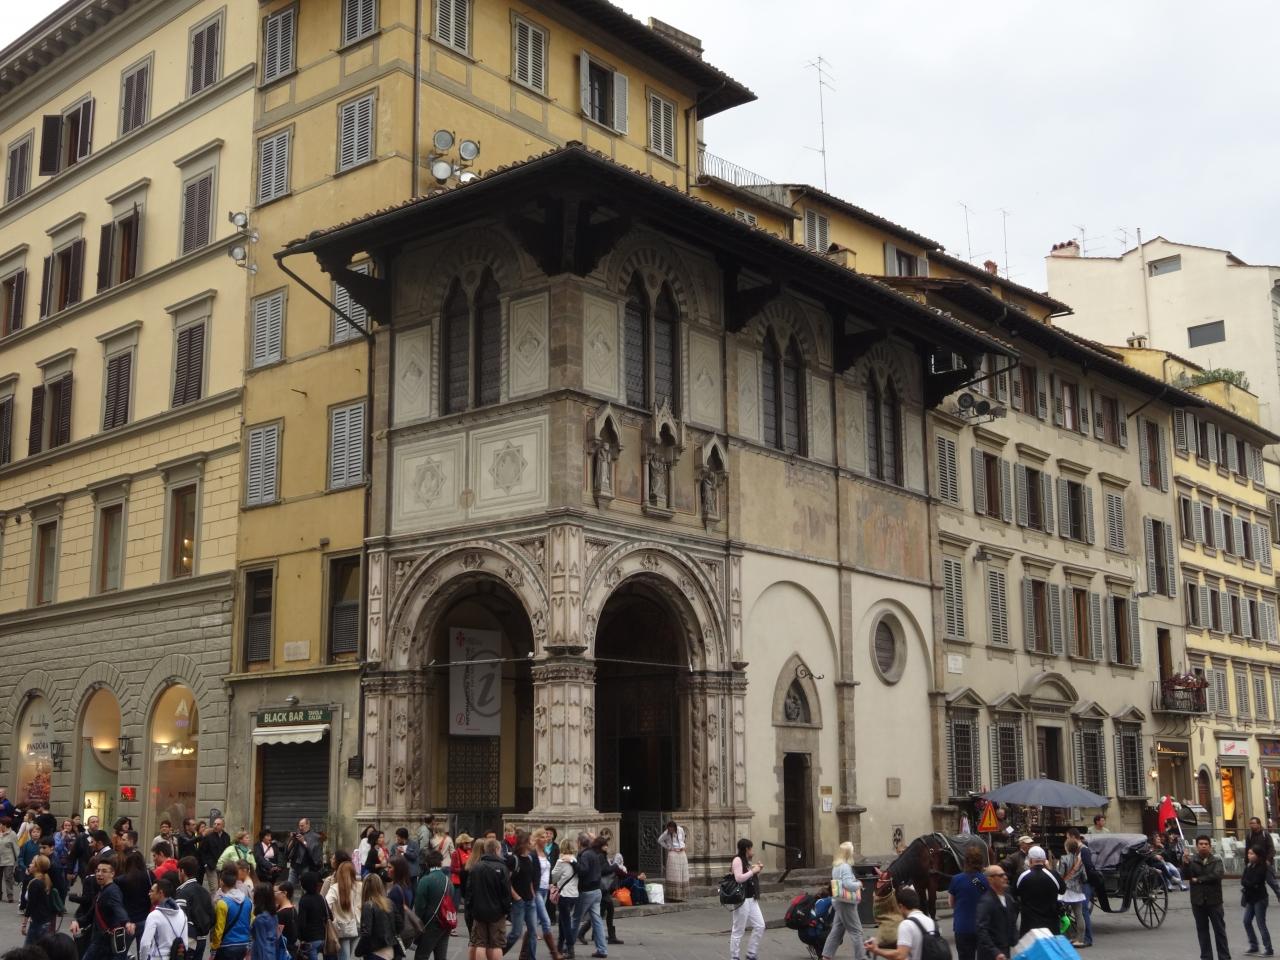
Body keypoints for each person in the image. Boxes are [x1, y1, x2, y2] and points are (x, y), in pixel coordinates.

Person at [1186, 833, 1230, 960]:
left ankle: (1224, 957)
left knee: (1220, 931)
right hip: (1198, 901)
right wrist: (1185, 863)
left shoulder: (1216, 861)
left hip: (1214, 901)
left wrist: (1199, 879)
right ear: (1197, 846)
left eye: (1206, 844)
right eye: (1201, 844)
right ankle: (1206, 957)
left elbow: (1216, 875)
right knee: (1202, 932)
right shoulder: (1192, 861)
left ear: (1210, 847)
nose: (1203, 846)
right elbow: (1187, 876)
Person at [466, 837, 511, 960]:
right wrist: (507, 910)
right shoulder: (502, 867)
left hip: (479, 911)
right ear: (497, 849)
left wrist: (470, 908)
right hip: (497, 912)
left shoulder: (476, 867)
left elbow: (469, 891)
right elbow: (506, 892)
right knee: (496, 944)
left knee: (480, 943)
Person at [865, 886, 938, 960]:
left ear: (900, 906)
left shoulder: (906, 924)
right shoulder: (931, 922)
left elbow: (900, 956)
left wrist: (876, 950)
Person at [820, 841, 866, 960]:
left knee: (837, 930)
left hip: (838, 901)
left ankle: (826, 956)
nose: (853, 853)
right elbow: (847, 885)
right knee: (857, 931)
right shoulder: (845, 866)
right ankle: (861, 957)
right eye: (852, 851)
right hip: (847, 903)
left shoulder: (836, 866)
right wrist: (859, 884)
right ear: (848, 853)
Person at [83, 856, 132, 960]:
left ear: (112, 874)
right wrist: (78, 922)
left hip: (103, 941)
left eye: (104, 871)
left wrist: (126, 922)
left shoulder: (112, 891)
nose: (99, 874)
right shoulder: (103, 890)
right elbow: (92, 913)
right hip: (101, 940)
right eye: (98, 871)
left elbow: (118, 907)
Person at [504, 830, 542, 959]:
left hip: (530, 900)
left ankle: (531, 958)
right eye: (531, 841)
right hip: (518, 902)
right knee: (516, 933)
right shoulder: (513, 859)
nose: (533, 843)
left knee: (533, 932)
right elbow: (506, 880)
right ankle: (498, 954)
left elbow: (529, 879)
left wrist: (532, 894)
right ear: (524, 843)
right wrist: (516, 897)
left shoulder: (530, 858)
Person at [573, 833, 611, 958]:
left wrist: (573, 863)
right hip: (596, 890)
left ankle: (568, 946)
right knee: (597, 920)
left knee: (576, 918)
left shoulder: (585, 854)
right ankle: (602, 949)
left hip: (587, 891)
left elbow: (583, 870)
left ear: (579, 843)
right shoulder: (594, 854)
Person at [946, 844, 987, 960]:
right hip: (982, 927)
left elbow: (951, 903)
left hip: (962, 927)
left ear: (966, 861)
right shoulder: (986, 880)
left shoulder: (956, 879)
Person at [728, 838, 765, 960]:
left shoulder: (746, 861)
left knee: (760, 925)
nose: (752, 851)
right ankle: (735, 956)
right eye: (751, 848)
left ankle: (751, 953)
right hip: (741, 899)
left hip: (751, 898)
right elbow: (738, 878)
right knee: (738, 930)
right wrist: (753, 871)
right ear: (746, 849)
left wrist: (757, 870)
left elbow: (748, 878)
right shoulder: (737, 860)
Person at [1014, 846, 1064, 936]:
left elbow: (1014, 893)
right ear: (1045, 860)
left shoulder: (1021, 875)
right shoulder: (1053, 875)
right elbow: (1062, 890)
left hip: (1029, 926)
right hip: (1051, 925)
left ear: (1030, 860)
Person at [414, 848, 452, 960]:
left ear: (426, 864)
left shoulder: (425, 880)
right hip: (446, 922)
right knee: (441, 956)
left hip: (430, 923)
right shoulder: (448, 880)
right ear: (441, 863)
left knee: (421, 955)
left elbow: (419, 906)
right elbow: (453, 902)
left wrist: (418, 923)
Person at [139, 877, 189, 960]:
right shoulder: (182, 914)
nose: (149, 894)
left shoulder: (154, 916)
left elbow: (145, 944)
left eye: (152, 891)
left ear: (160, 893)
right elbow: (185, 944)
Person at [175, 856, 215, 960]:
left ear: (182, 871)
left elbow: (179, 919)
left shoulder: (182, 892)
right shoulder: (205, 892)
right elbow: (212, 916)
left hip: (187, 940)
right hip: (202, 939)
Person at [209, 865, 253, 960]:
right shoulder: (248, 901)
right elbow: (251, 923)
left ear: (221, 882)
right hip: (243, 945)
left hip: (226, 946)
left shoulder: (222, 903)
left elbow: (219, 930)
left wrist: (213, 949)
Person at [975, 865, 1018, 960]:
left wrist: (1017, 942)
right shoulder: (986, 901)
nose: (1005, 877)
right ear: (990, 879)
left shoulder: (1008, 898)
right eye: (1000, 875)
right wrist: (995, 952)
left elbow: (1012, 922)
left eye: (1005, 875)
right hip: (990, 954)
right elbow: (981, 929)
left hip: (1004, 950)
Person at [324, 860, 362, 960]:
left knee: (344, 957)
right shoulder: (360, 886)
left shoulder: (335, 888)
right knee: (350, 956)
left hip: (342, 928)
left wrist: (332, 918)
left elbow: (326, 905)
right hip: (358, 925)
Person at [117, 850, 153, 951]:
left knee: (121, 952)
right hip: (144, 919)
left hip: (127, 921)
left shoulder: (121, 880)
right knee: (143, 952)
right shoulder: (149, 875)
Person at [359, 874, 399, 960]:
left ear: (365, 888)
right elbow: (399, 924)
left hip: (375, 953)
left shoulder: (368, 905)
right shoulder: (389, 903)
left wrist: (359, 950)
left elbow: (366, 933)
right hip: (390, 952)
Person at [551, 838, 579, 960]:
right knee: (563, 921)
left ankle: (570, 949)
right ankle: (559, 946)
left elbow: (553, 877)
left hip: (564, 895)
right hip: (574, 895)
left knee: (566, 922)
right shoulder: (575, 860)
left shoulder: (561, 861)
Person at [1242, 844, 1273, 956]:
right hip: (1250, 898)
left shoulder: (1264, 867)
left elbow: (1256, 881)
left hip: (1260, 898)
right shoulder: (1249, 866)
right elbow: (1243, 881)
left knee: (1261, 923)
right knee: (1246, 921)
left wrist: (1249, 884)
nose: (1249, 855)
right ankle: (1254, 945)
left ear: (1258, 855)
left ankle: (1268, 949)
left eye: (1252, 854)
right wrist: (1249, 884)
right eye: (1248, 853)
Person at [1058, 837, 1088, 947]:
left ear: (1066, 847)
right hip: (1077, 890)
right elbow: (1084, 877)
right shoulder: (1080, 860)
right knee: (1079, 915)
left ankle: (1066, 936)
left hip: (1065, 890)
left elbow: (1060, 875)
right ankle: (1080, 939)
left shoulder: (1063, 858)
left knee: (1061, 914)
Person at [20, 854, 55, 945]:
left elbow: (30, 905)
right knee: (40, 948)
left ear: (37, 867)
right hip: (44, 920)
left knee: (29, 949)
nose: (29, 865)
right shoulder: (45, 880)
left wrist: (24, 924)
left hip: (37, 922)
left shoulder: (35, 883)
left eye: (32, 863)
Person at [296, 872, 328, 960]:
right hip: (324, 937)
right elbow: (329, 916)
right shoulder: (321, 898)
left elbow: (301, 922)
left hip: (311, 940)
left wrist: (300, 938)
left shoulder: (304, 900)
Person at [656, 820, 688, 903]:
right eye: (669, 829)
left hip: (681, 853)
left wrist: (683, 845)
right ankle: (673, 896)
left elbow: (683, 838)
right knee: (674, 875)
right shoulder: (666, 833)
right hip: (673, 853)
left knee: (682, 874)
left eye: (672, 829)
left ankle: (681, 895)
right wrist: (669, 847)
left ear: (675, 827)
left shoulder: (680, 829)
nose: (671, 830)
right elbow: (659, 840)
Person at [248, 882, 280, 960]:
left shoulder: (260, 919)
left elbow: (261, 943)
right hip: (272, 952)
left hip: (261, 955)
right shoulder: (274, 915)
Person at [201, 819, 231, 891]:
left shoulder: (226, 836)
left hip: (223, 866)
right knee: (214, 888)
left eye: (218, 824)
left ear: (223, 826)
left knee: (222, 887)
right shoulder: (209, 836)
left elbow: (228, 850)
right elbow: (202, 851)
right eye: (214, 824)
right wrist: (206, 863)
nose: (215, 826)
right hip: (211, 866)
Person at [274, 882, 298, 957]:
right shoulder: (293, 909)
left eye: (275, 892)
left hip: (283, 952)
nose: (274, 895)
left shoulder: (281, 913)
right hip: (291, 950)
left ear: (284, 893)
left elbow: (276, 935)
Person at [451, 834, 473, 909]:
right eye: (467, 843)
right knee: (456, 904)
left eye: (469, 842)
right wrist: (463, 870)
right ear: (462, 844)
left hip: (468, 880)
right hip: (458, 882)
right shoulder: (455, 853)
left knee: (468, 903)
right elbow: (453, 869)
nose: (469, 844)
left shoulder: (470, 852)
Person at [0, 817, 19, 904]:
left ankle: (10, 896)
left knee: (8, 878)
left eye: (1, 824)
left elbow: (16, 848)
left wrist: (18, 860)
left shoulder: (12, 834)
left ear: (5, 825)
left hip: (8, 860)